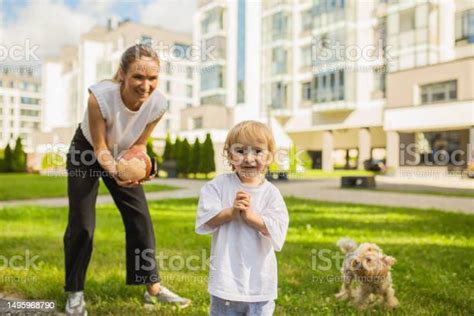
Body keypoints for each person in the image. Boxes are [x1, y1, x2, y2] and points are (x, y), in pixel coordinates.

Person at [63, 44, 190, 316]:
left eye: (152, 78)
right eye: (138, 77)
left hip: (123, 152)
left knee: (140, 219)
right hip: (86, 152)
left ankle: (152, 288)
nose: (146, 85)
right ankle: (75, 292)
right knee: (82, 224)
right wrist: (116, 172)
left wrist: (143, 167)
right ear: (122, 74)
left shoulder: (159, 104)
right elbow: (99, 149)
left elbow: (140, 145)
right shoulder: (99, 96)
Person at [195, 121, 289, 315]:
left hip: (260, 282)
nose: (249, 158)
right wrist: (231, 212)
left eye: (257, 151)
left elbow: (277, 229)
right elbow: (206, 218)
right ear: (229, 156)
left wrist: (250, 216)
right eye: (240, 151)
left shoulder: (271, 193)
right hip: (226, 280)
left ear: (270, 156)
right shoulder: (218, 186)